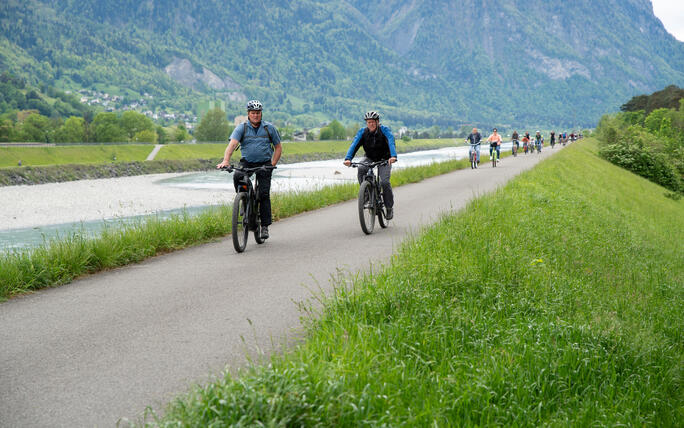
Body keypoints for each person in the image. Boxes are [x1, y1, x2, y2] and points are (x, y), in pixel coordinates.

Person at [217, 100, 282, 240]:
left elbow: (278, 147)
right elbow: (232, 144)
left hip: (265, 163)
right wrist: (226, 161)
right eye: (253, 113)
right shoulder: (242, 128)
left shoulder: (269, 128)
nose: (256, 115)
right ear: (248, 114)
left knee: (264, 194)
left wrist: (272, 163)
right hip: (247, 162)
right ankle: (244, 198)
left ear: (261, 114)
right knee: (237, 175)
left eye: (258, 113)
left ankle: (264, 226)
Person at [344, 111, 397, 219]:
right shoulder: (363, 132)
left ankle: (389, 208)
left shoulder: (384, 130)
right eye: (368, 122)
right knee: (361, 168)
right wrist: (348, 158)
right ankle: (367, 195)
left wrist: (393, 156)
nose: (370, 124)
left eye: (373, 122)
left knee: (384, 182)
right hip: (369, 157)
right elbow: (354, 144)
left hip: (385, 159)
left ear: (377, 122)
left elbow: (391, 141)